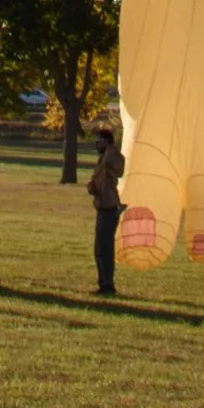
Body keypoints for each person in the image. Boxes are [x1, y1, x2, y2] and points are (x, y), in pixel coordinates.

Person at [89, 127, 124, 299]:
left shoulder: (111, 155)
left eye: (99, 140)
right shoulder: (102, 159)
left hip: (109, 209)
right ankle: (103, 283)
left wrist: (109, 147)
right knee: (99, 249)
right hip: (102, 207)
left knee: (104, 249)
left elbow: (118, 168)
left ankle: (108, 286)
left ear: (106, 142)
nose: (96, 144)